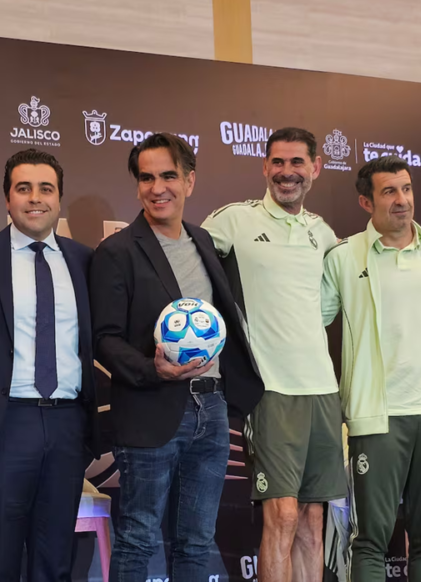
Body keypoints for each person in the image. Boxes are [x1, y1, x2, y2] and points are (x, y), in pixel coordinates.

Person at [89, 133, 263, 581]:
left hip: (212, 409)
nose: (157, 187)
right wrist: (153, 369)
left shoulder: (204, 241)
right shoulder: (117, 251)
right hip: (149, 411)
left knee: (197, 542)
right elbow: (104, 338)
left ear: (189, 181)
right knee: (138, 537)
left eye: (168, 176)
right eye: (146, 178)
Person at [202, 127, 347, 581]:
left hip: (323, 391)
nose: (287, 172)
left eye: (297, 162)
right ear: (264, 167)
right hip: (270, 391)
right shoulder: (232, 221)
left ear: (315, 168)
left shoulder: (323, 232)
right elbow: (188, 267)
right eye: (278, 162)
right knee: (282, 516)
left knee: (312, 521)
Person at [321, 156, 421, 582]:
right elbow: (311, 324)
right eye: (389, 191)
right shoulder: (343, 257)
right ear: (366, 202)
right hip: (377, 420)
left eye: (406, 188)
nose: (402, 199)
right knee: (370, 542)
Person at [0, 148, 99, 582]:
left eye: (46, 189)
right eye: (24, 188)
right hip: (3, 425)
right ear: (7, 198)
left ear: (59, 199)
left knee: (55, 563)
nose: (35, 198)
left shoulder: (84, 260)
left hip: (67, 426)